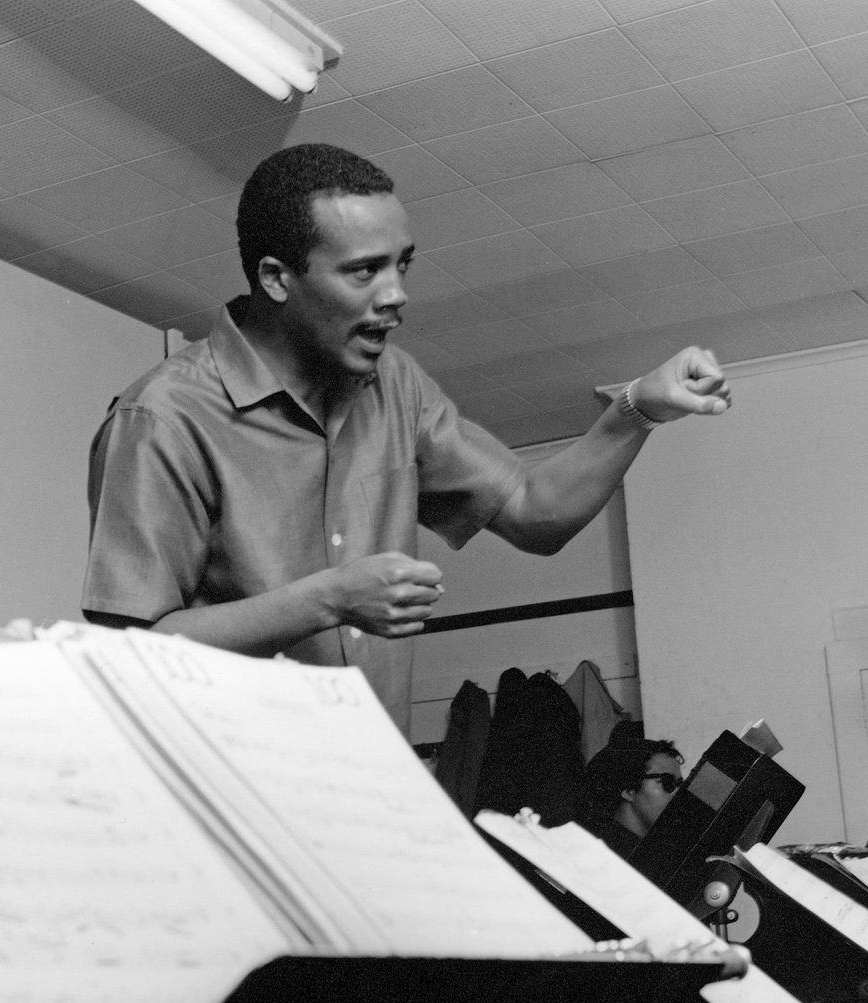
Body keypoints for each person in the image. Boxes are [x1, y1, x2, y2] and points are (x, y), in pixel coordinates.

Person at [83, 143, 730, 734]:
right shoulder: (164, 418)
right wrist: (329, 597)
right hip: (228, 799)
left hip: (373, 784)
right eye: (363, 272)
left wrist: (637, 409)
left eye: (402, 264)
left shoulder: (395, 384)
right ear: (277, 278)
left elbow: (537, 515)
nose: (397, 295)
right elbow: (130, 654)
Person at [577, 726, 686, 858]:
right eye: (667, 782)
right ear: (629, 791)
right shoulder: (600, 854)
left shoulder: (659, 851)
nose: (677, 794)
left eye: (680, 784)